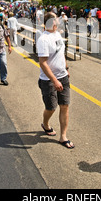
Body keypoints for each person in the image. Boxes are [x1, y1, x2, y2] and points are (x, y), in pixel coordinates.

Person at [37, 12, 74, 149]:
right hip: (48, 80)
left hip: (63, 76)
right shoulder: (43, 39)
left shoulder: (57, 34)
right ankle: (45, 124)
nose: (58, 20)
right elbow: (43, 63)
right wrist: (54, 80)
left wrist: (66, 68)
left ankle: (63, 136)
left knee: (64, 105)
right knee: (51, 108)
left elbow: (61, 52)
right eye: (56, 18)